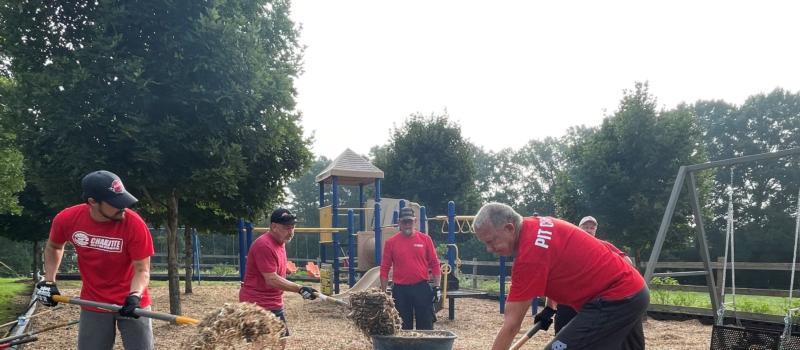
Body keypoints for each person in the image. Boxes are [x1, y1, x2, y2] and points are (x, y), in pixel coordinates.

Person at [473, 203, 648, 350]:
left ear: (509, 228)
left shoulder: (529, 256)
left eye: (491, 241)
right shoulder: (539, 223)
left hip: (614, 299)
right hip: (636, 290)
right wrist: (550, 307)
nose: (489, 249)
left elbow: (511, 325)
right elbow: (560, 265)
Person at [35, 170, 155, 350]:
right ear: (92, 202)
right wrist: (49, 281)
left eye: (123, 200)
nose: (123, 207)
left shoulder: (134, 224)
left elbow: (142, 270)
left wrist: (134, 296)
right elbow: (54, 246)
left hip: (132, 302)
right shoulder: (67, 219)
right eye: (115, 203)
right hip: (93, 302)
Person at [239, 208, 319, 348]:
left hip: (274, 302)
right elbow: (271, 279)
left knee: (281, 343)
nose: (291, 232)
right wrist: (299, 289)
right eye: (286, 228)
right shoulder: (264, 245)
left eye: (293, 227)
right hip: (256, 304)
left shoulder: (280, 242)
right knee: (261, 346)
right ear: (274, 226)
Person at [380, 207, 442, 330]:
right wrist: (383, 292)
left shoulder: (425, 239)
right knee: (402, 326)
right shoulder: (391, 243)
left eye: (410, 221)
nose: (407, 224)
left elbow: (435, 264)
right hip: (400, 290)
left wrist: (437, 287)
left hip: (421, 288)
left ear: (415, 221)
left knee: (426, 325)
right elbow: (384, 268)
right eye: (404, 222)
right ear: (399, 223)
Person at [553, 215, 598, 334]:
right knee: (561, 339)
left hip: (590, 304)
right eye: (585, 227)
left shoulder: (601, 248)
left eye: (592, 228)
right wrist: (549, 307)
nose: (588, 230)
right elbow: (555, 278)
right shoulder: (567, 247)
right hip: (567, 303)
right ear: (578, 228)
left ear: (596, 231)